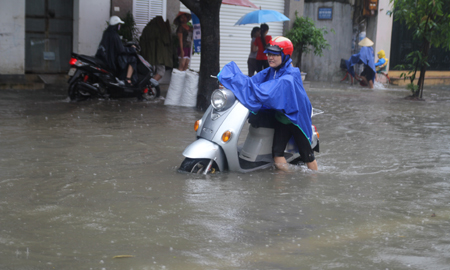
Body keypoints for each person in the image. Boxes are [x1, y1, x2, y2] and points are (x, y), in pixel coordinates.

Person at [218, 36, 318, 171]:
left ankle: (314, 182)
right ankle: (284, 186)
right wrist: (230, 85)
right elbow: (253, 82)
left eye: (275, 54)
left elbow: (264, 92)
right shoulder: (272, 71)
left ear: (284, 55)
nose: (270, 57)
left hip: (296, 120)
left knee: (308, 157)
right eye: (269, 54)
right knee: (277, 155)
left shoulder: (289, 77)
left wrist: (235, 83)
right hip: (282, 119)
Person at [95, 16, 137, 86]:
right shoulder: (114, 35)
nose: (119, 26)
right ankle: (128, 79)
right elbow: (121, 50)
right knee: (133, 59)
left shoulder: (106, 33)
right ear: (116, 25)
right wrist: (132, 49)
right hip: (112, 60)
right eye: (119, 24)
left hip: (105, 58)